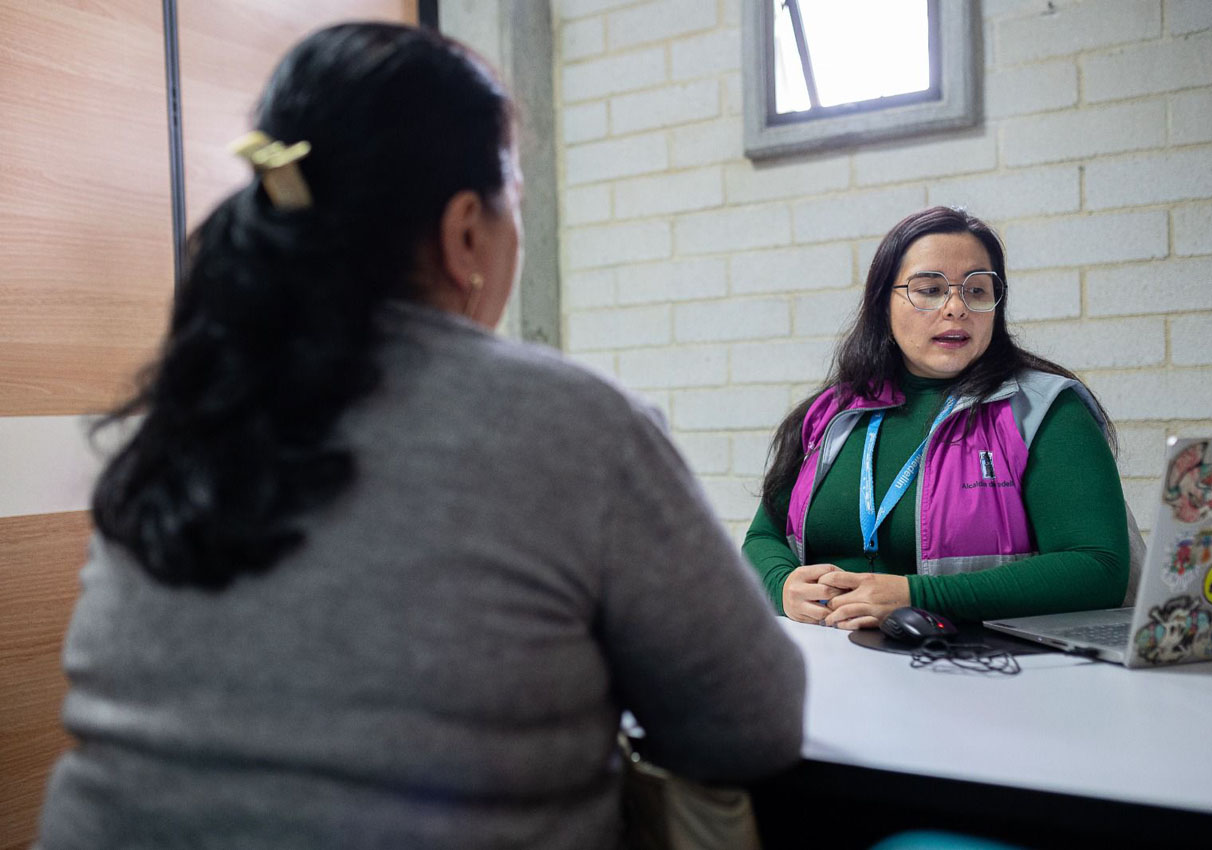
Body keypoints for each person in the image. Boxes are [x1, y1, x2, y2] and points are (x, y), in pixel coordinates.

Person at [37, 23, 803, 849]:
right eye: (515, 199)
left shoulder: (182, 419)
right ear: (465, 231)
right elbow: (751, 723)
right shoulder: (573, 424)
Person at [743, 206, 1132, 629]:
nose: (956, 307)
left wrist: (918, 597)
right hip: (828, 656)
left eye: (977, 290)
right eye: (929, 289)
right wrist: (782, 585)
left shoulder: (1045, 410)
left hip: (978, 661)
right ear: (883, 304)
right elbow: (763, 537)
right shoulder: (832, 412)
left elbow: (1099, 568)